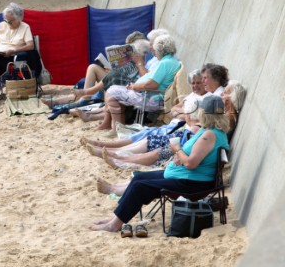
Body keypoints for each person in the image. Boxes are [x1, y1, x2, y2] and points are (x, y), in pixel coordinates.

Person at [90, 95, 230, 233]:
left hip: (192, 183)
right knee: (138, 178)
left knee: (140, 186)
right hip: (189, 177)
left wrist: (177, 149)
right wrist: (180, 157)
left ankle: (114, 225)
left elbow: (191, 164)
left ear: (203, 113)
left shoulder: (209, 135)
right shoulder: (212, 132)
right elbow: (197, 158)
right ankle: (115, 218)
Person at [80, 68, 207, 147]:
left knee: (147, 138)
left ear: (205, 83)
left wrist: (183, 113)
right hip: (174, 127)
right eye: (193, 83)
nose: (195, 86)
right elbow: (174, 109)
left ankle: (108, 147)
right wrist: (185, 112)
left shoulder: (205, 100)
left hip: (177, 130)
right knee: (145, 134)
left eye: (198, 83)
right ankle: (108, 146)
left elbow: (191, 117)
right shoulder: (192, 95)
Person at [97, 34, 181, 131]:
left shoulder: (164, 63)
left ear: (160, 50)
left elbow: (151, 85)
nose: (154, 53)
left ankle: (117, 128)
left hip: (150, 98)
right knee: (114, 91)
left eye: (155, 50)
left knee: (111, 92)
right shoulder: (171, 61)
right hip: (152, 95)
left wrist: (134, 86)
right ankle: (118, 127)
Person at [85, 99, 203, 169]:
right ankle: (115, 155)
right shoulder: (197, 127)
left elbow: (185, 145)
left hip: (175, 150)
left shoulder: (196, 128)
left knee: (153, 149)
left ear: (189, 115)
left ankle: (118, 158)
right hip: (174, 147)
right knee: (149, 140)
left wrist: (176, 150)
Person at [0, 2, 39, 105]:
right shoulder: (2, 25)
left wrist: (14, 51)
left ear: (19, 19)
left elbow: (30, 45)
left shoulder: (25, 27)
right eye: (6, 20)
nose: (8, 23)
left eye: (11, 21)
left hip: (10, 60)